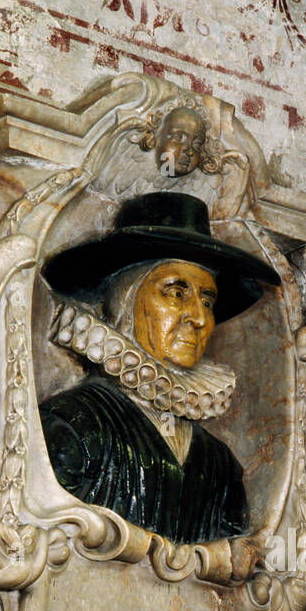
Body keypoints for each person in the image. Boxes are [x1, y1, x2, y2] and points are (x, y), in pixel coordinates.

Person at [38, 192, 279, 544]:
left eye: (207, 300)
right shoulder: (71, 424)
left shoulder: (219, 466)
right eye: (176, 293)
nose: (199, 317)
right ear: (127, 300)